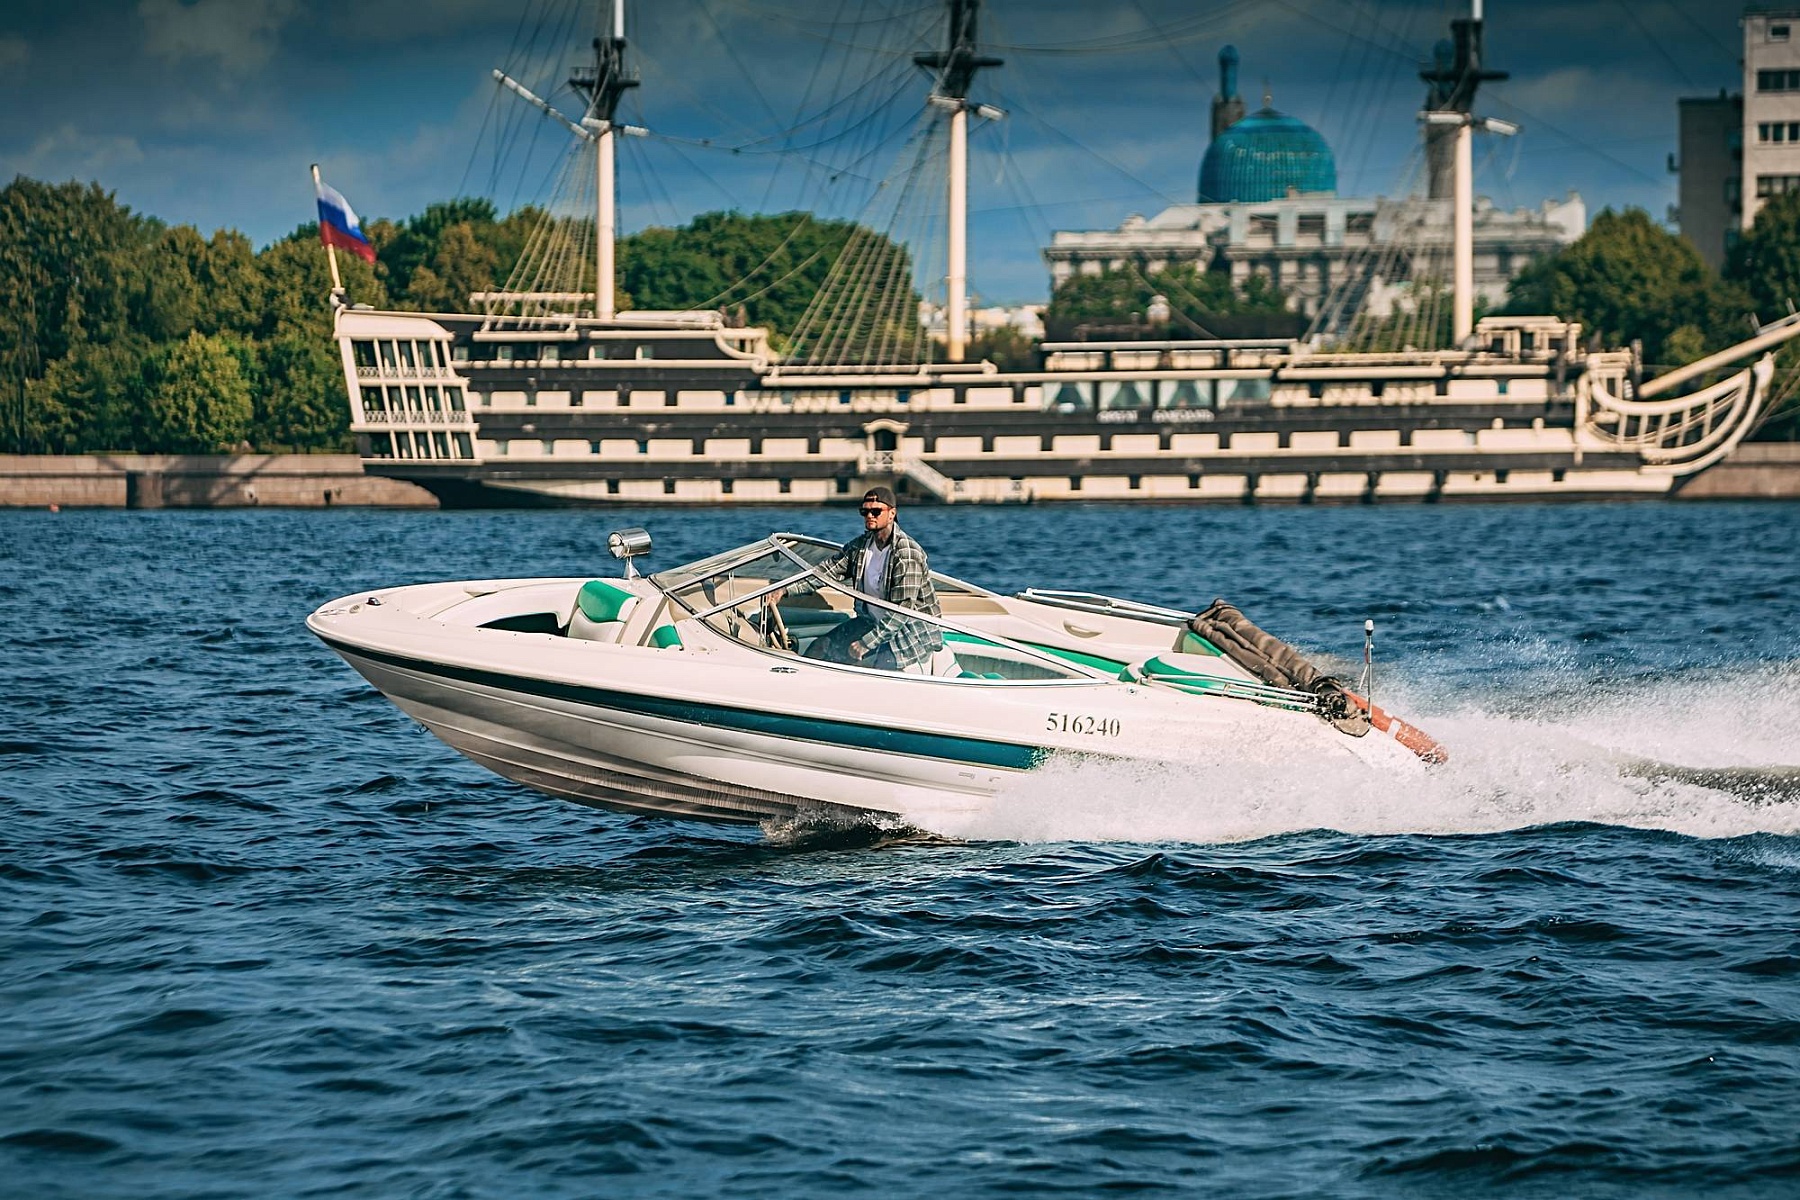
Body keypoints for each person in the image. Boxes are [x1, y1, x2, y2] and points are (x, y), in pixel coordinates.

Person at [776, 486, 943, 672]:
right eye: (864, 512)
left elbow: (900, 613)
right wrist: (785, 590)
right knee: (820, 648)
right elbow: (825, 573)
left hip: (909, 633)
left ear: (892, 514)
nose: (869, 516)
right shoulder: (860, 547)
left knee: (867, 670)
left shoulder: (906, 554)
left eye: (876, 511)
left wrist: (865, 643)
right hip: (871, 622)